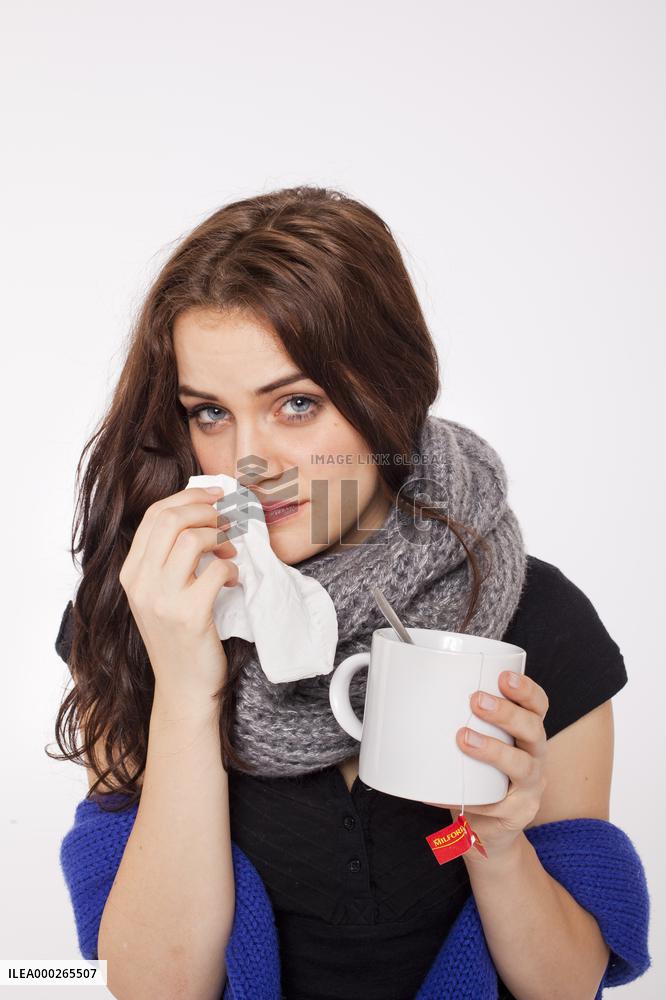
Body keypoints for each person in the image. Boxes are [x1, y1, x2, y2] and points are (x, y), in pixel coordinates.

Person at [52, 185, 640, 1000]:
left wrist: (499, 845)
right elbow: (154, 987)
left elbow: (566, 986)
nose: (249, 462)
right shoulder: (138, 614)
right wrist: (186, 688)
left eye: (297, 403)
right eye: (210, 413)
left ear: (389, 392)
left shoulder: (539, 621)